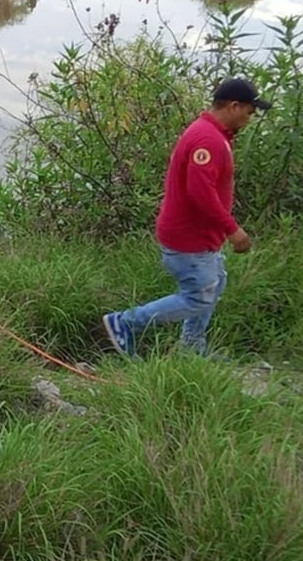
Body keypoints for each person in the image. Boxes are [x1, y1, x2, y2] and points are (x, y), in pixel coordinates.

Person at [101, 78, 272, 358]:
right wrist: (233, 230)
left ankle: (191, 347)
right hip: (189, 239)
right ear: (234, 106)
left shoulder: (213, 135)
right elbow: (200, 192)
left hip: (202, 237)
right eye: (249, 112)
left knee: (215, 285)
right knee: (197, 297)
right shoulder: (208, 139)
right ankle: (126, 322)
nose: (249, 118)